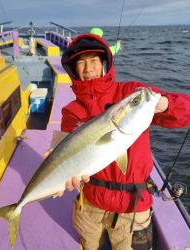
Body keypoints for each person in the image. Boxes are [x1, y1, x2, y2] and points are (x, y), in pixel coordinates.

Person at [58, 32, 190, 250]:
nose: (88, 68)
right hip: (90, 204)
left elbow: (185, 112)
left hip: (134, 206)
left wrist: (165, 104)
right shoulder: (72, 111)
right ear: (74, 70)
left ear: (104, 64)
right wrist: (64, 170)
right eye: (81, 63)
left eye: (93, 61)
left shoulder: (131, 94)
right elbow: (67, 149)